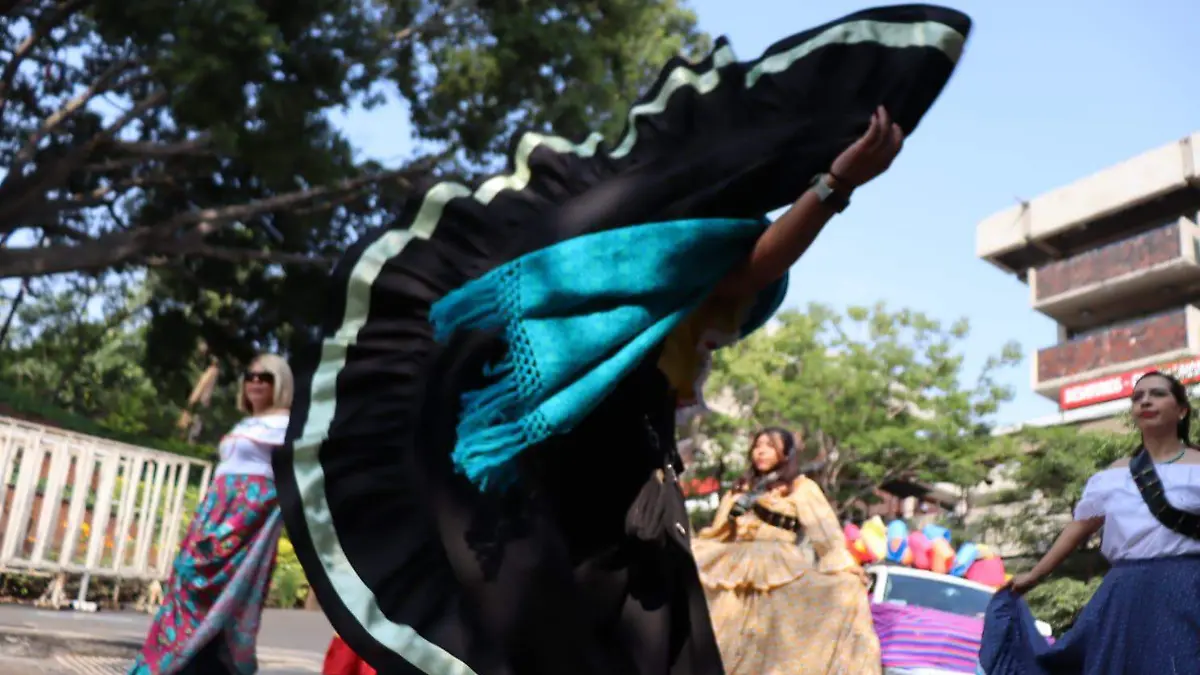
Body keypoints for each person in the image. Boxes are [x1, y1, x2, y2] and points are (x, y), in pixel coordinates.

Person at [274, 6, 971, 674]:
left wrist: (831, 184)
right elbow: (750, 264)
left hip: (631, 506)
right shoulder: (619, 262)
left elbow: (747, 266)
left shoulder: (685, 277)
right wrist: (834, 184)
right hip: (569, 493)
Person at [977, 370, 1200, 675]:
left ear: (1182, 410)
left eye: (1157, 394)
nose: (1145, 401)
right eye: (1138, 397)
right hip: (1124, 594)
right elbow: (1077, 528)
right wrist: (1035, 574)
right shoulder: (1113, 476)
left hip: (1189, 587)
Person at [130, 354, 293, 675]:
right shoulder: (245, 424)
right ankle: (172, 663)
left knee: (217, 594)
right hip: (213, 514)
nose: (256, 382)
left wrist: (242, 519)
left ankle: (202, 666)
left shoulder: (287, 425)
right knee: (186, 582)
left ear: (281, 384)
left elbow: (287, 479)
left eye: (266, 377)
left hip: (244, 522)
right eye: (251, 375)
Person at [693, 428, 879, 674]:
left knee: (772, 643)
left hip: (778, 567)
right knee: (724, 635)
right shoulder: (741, 487)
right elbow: (720, 530)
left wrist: (844, 567)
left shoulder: (801, 488)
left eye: (770, 446)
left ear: (786, 453)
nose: (761, 451)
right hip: (735, 566)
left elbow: (826, 533)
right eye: (758, 445)